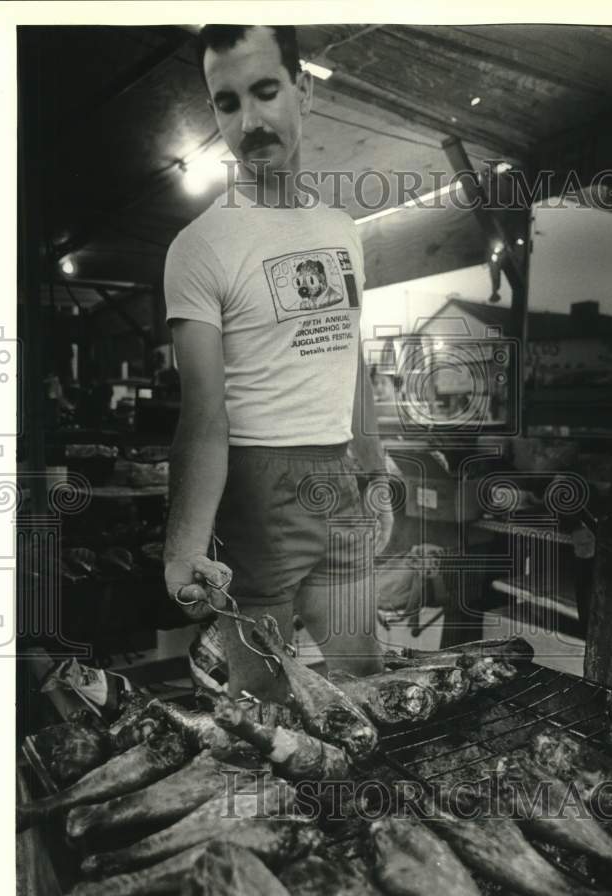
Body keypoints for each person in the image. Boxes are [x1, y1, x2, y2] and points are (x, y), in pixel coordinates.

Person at [162, 25, 393, 701]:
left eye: (265, 91)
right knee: (260, 707)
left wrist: (374, 470)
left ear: (303, 92)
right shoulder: (200, 247)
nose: (250, 120)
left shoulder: (340, 231)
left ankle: (358, 808)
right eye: (227, 102)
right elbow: (201, 413)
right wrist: (184, 546)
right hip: (255, 489)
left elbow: (348, 357)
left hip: (336, 478)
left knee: (365, 686)